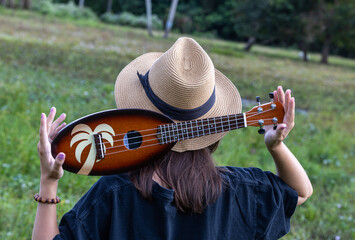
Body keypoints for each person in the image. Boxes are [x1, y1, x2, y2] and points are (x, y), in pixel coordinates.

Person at [32, 37, 313, 240]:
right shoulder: (239, 191)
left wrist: (49, 182)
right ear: (210, 130)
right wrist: (276, 145)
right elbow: (300, 192)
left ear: (135, 115)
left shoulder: (115, 192)